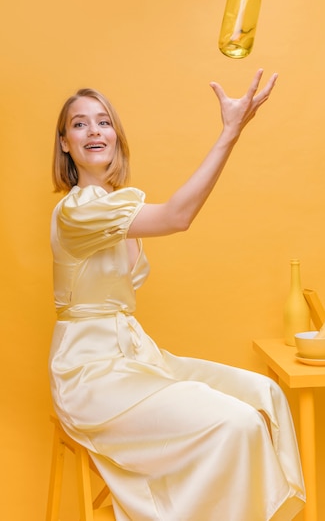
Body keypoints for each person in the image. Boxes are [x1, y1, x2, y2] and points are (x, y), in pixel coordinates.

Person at [48, 69, 305, 521]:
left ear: (116, 136)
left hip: (135, 358)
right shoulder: (78, 210)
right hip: (89, 376)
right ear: (66, 143)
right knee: (237, 423)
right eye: (79, 123)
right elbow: (178, 216)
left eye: (103, 121)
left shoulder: (119, 207)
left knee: (266, 394)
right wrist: (230, 132)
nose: (94, 130)